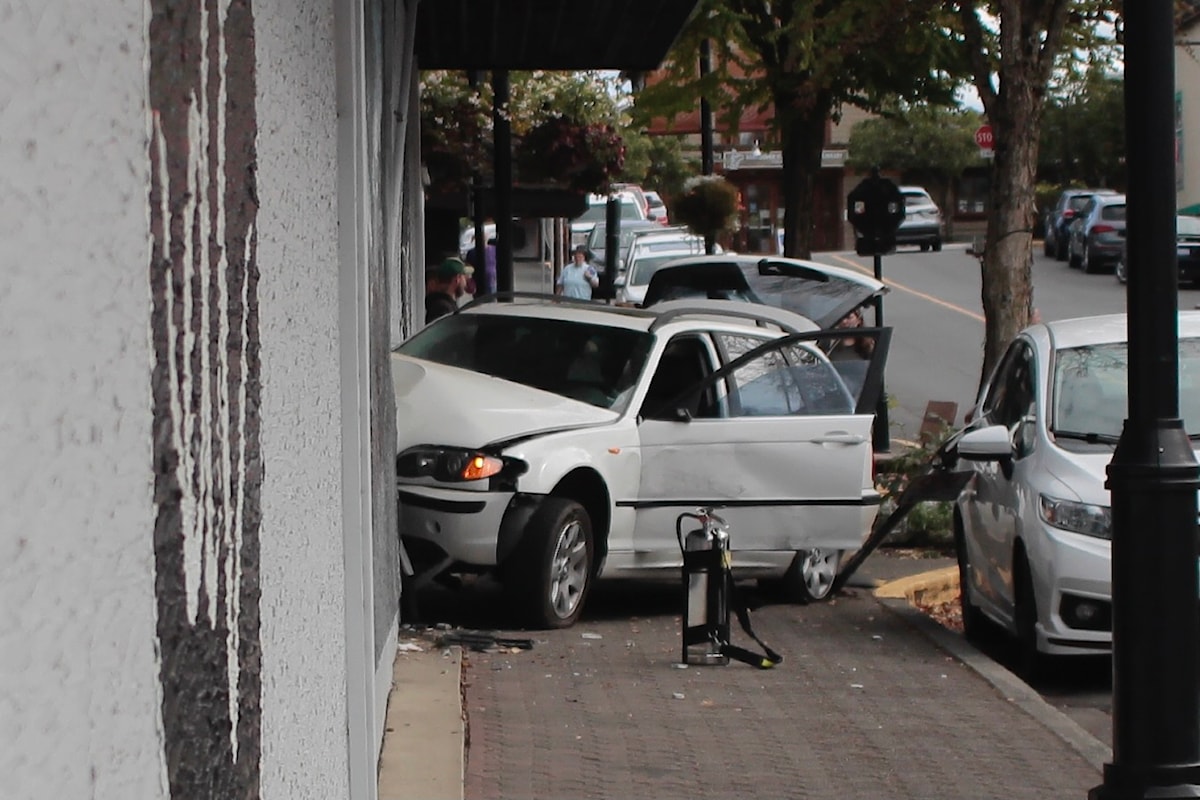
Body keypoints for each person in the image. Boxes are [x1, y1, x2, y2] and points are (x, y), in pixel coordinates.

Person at [425, 257, 474, 324]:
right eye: (464, 277)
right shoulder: (443, 309)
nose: (465, 282)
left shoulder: (441, 304)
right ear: (457, 279)